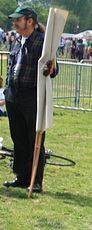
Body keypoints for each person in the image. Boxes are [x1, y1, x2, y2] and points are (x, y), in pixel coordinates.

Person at [2, 6, 57, 194]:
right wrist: (7, 91)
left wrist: (50, 69)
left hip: (32, 95)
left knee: (35, 138)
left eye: (18, 19)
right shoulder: (16, 40)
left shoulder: (42, 42)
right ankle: (21, 176)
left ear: (30, 21)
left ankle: (36, 180)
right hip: (13, 95)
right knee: (18, 138)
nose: (15, 22)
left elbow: (53, 69)